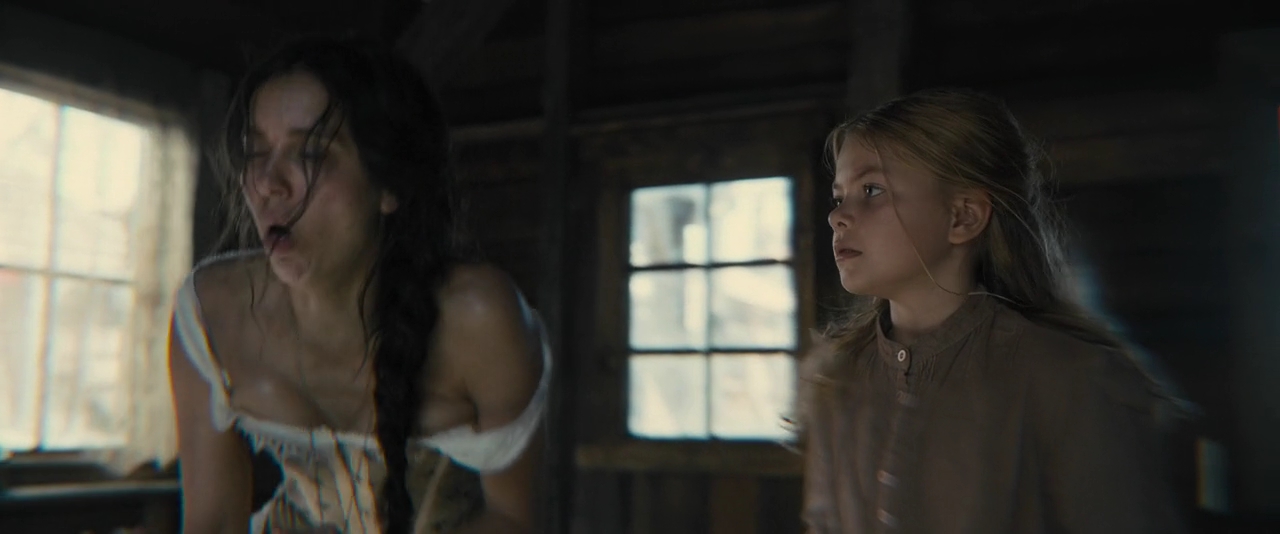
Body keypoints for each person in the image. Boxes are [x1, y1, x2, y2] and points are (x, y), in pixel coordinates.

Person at [168, 35, 549, 534]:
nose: (268, 183)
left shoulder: (477, 318)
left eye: (310, 154)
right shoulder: (211, 314)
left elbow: (513, 520)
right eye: (255, 152)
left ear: (389, 185)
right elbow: (211, 523)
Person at [796, 88, 1187, 533]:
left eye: (872, 190)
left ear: (963, 217)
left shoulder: (1071, 380)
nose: (838, 217)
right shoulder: (836, 381)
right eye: (839, 196)